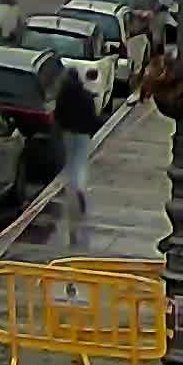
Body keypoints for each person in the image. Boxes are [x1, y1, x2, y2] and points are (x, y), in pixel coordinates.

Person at [53, 67, 101, 247]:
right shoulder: (86, 96)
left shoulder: (63, 96)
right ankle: (79, 187)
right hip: (83, 134)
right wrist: (92, 130)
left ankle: (73, 187)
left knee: (70, 163)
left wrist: (61, 127)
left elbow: (58, 115)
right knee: (80, 163)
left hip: (68, 133)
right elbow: (93, 118)